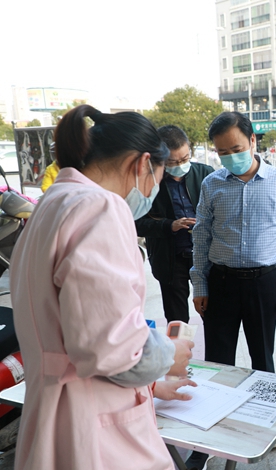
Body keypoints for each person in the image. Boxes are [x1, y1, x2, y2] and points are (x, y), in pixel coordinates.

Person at [10, 104, 196, 470]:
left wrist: (150, 385)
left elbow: (77, 326)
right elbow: (108, 349)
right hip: (91, 427)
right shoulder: (101, 208)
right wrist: (168, 354)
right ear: (143, 164)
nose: (152, 192)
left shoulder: (53, 203)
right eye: (157, 180)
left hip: (55, 408)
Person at [190, 111, 276, 372]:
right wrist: (200, 284)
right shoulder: (211, 184)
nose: (231, 157)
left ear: (252, 140)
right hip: (221, 282)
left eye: (236, 149)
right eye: (223, 152)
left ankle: (263, 399)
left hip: (264, 283)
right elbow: (201, 236)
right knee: (218, 360)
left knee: (263, 358)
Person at [135, 125, 214, 324]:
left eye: (185, 159)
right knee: (177, 319)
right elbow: (136, 223)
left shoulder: (206, 174)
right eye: (173, 162)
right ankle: (179, 345)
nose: (180, 165)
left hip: (205, 256)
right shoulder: (148, 182)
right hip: (170, 260)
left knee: (214, 314)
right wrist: (170, 225)